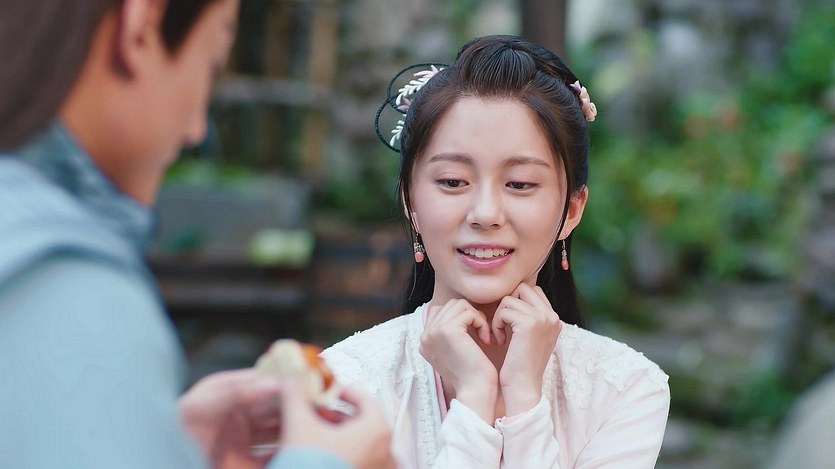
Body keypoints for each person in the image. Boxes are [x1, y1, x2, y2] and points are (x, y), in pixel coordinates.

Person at [0, 1, 393, 468]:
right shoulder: (67, 287)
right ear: (140, 27)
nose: (195, 128)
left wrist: (162, 439)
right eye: (210, 65)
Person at [322, 35, 671, 468]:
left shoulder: (624, 388)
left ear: (572, 209)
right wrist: (474, 397)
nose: (485, 214)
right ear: (411, 201)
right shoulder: (343, 385)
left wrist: (523, 399)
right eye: (453, 181)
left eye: (520, 184)